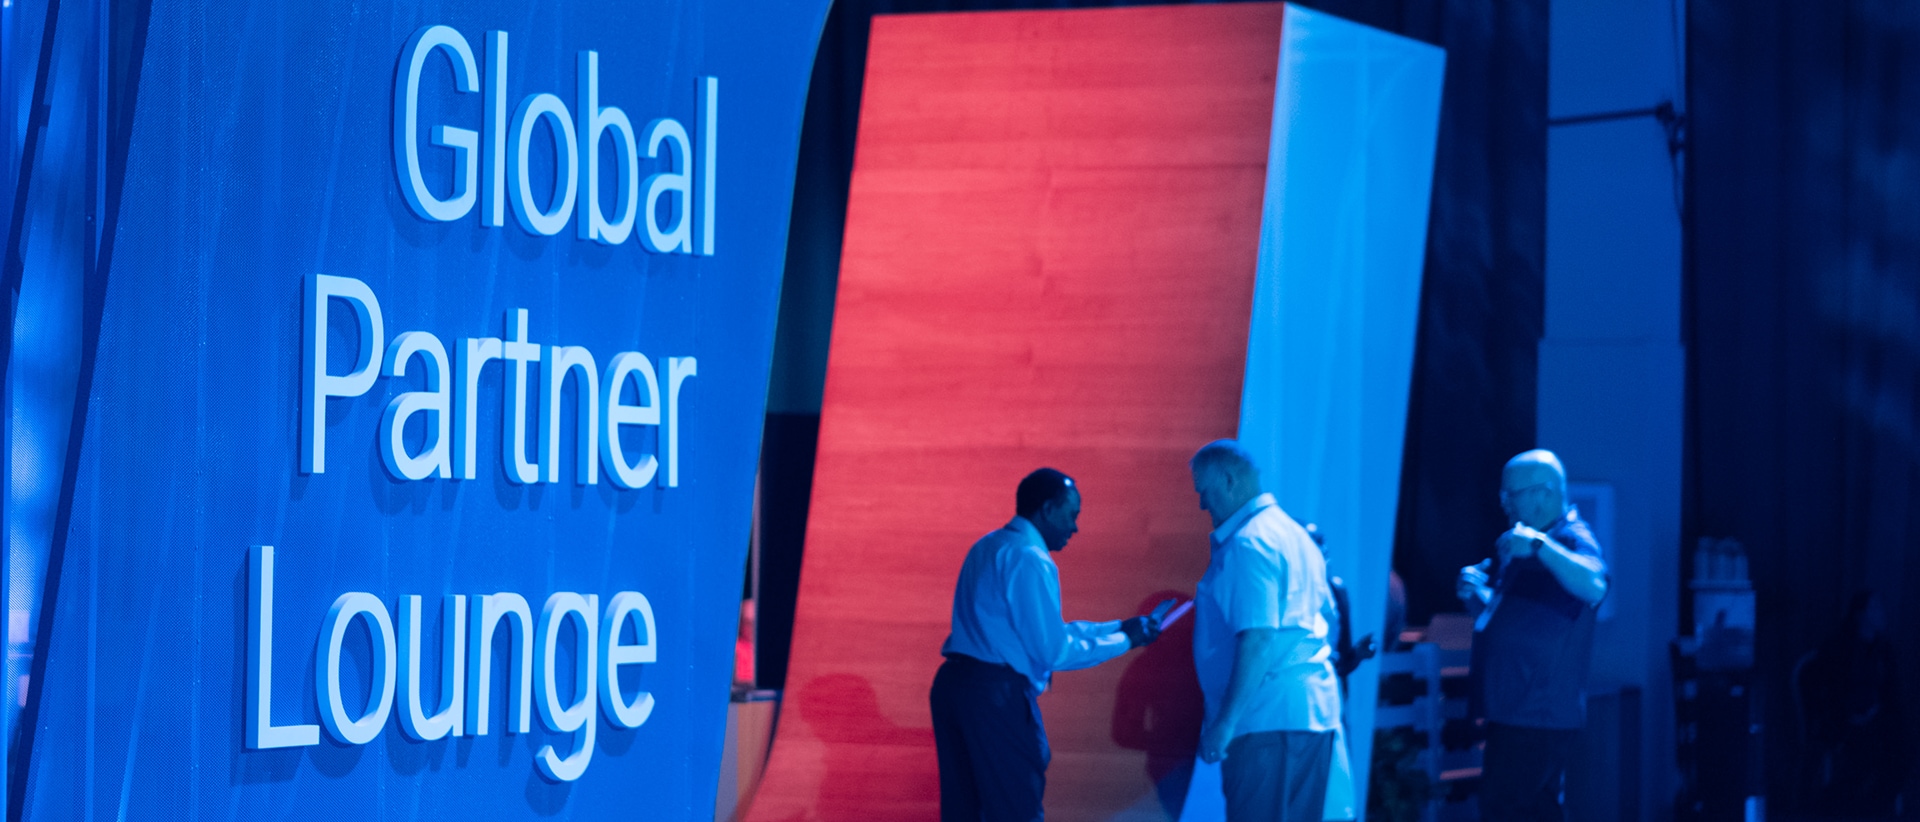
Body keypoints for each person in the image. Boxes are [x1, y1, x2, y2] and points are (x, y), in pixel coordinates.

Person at [931, 468, 1163, 822]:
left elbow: (1043, 632)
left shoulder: (988, 545)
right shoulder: (1029, 557)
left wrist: (1118, 626)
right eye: (1072, 514)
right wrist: (1126, 639)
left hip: (954, 686)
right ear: (1048, 509)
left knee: (965, 810)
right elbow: (1053, 651)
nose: (1075, 527)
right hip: (995, 694)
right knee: (1015, 808)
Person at [1189, 440, 1342, 822]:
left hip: (1268, 719)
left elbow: (1257, 638)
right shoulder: (1296, 535)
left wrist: (1224, 724)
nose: (1202, 505)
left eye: (1203, 492)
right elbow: (1328, 621)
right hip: (1311, 714)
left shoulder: (1248, 543)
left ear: (1228, 481)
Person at [1456, 449, 1608, 822]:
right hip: (1515, 711)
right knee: (1531, 811)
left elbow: (1595, 585)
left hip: (1535, 713)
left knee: (1507, 810)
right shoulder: (1528, 543)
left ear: (1544, 493)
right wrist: (1478, 597)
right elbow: (1516, 623)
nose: (1504, 503)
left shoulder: (1570, 536)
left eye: (1512, 494)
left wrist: (1540, 547)